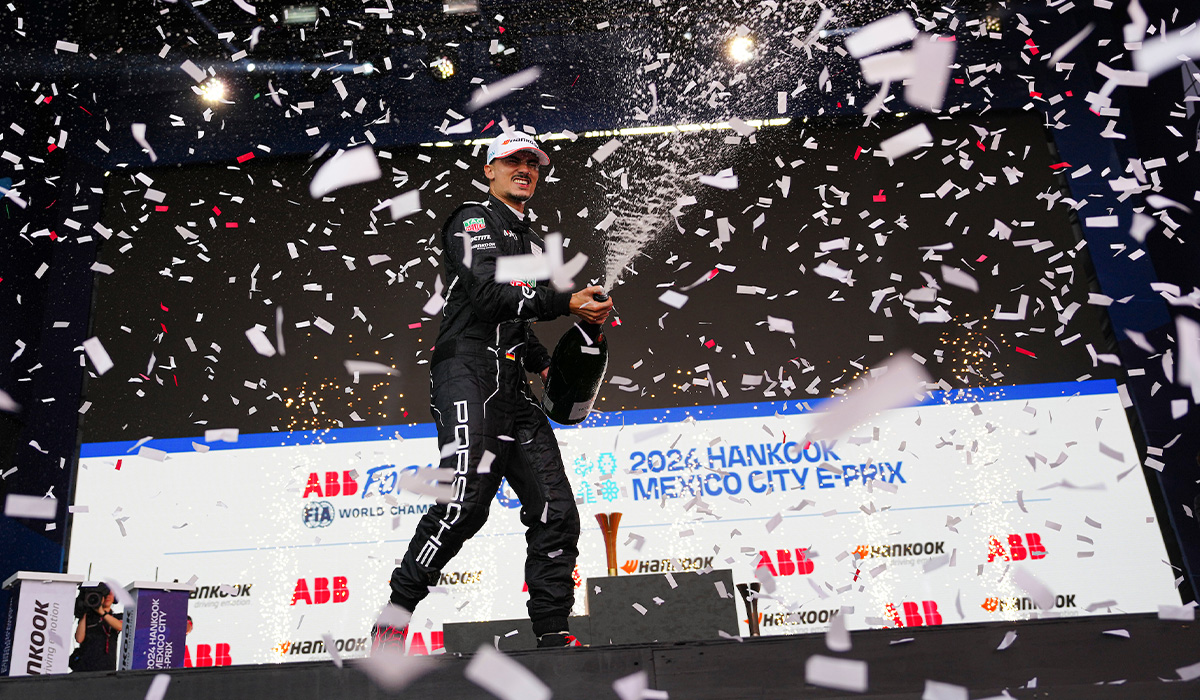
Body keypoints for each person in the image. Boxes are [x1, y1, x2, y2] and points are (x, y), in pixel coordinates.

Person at [372, 131, 613, 651]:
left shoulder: (528, 240)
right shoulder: (472, 219)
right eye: (512, 160)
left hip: (511, 382)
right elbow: (487, 294)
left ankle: (553, 633)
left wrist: (546, 366)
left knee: (556, 510)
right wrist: (568, 303)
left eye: (532, 161)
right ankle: (393, 619)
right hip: (467, 371)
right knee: (465, 502)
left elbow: (516, 317)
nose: (524, 167)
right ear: (491, 170)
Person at [70, 584, 124, 672]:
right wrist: (84, 612)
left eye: (110, 594)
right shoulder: (88, 617)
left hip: (107, 667)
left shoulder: (117, 617)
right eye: (105, 594)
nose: (108, 597)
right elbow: (79, 639)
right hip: (85, 665)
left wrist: (102, 612)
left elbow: (120, 626)